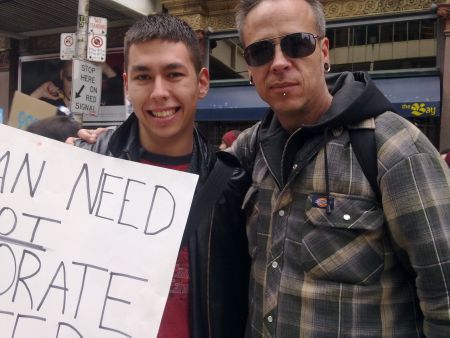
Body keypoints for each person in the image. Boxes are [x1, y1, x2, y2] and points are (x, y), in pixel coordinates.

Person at [226, 0, 450, 337]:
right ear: (250, 69)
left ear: (324, 51)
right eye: (260, 53)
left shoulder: (396, 148)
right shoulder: (250, 147)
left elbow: (444, 299)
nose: (279, 63)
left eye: (297, 44)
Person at [73, 14, 250, 338]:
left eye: (173, 74)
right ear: (127, 85)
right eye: (143, 77)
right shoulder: (85, 168)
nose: (159, 92)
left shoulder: (232, 188)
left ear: (202, 82)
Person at [30, 60, 123, 115]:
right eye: (70, 79)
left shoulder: (100, 103)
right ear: (62, 74)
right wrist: (38, 93)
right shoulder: (51, 105)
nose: (75, 87)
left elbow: (127, 102)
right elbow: (21, 125)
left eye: (82, 80)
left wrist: (107, 69)